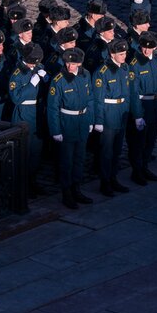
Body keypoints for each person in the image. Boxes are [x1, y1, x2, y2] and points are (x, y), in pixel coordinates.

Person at [47, 47, 94, 209]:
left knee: (79, 159)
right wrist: (56, 130)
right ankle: (66, 192)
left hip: (82, 121)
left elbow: (90, 100)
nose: (69, 67)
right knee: (66, 160)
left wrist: (91, 120)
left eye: (73, 64)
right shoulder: (58, 80)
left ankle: (77, 189)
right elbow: (52, 108)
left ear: (80, 63)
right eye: (67, 63)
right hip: (67, 122)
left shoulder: (86, 75)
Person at [8, 43, 51, 198]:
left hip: (37, 112)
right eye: (33, 61)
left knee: (36, 152)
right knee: (24, 152)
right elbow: (16, 97)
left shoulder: (38, 66)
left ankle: (32, 181)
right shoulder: (17, 73)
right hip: (24, 113)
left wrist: (46, 78)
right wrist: (31, 85)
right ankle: (22, 185)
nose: (35, 63)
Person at [92, 39, 132, 197]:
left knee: (116, 150)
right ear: (112, 54)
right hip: (108, 114)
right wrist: (99, 121)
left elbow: (127, 93)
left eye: (125, 53)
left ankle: (113, 177)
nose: (124, 56)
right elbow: (98, 99)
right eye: (121, 54)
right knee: (106, 151)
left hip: (121, 112)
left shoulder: (125, 68)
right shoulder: (102, 72)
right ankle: (105, 181)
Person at [127, 30, 157, 185]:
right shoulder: (134, 64)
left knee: (151, 139)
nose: (146, 50)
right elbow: (133, 92)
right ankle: (137, 170)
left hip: (155, 103)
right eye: (144, 47)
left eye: (150, 47)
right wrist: (137, 115)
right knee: (139, 142)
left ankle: (145, 166)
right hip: (142, 105)